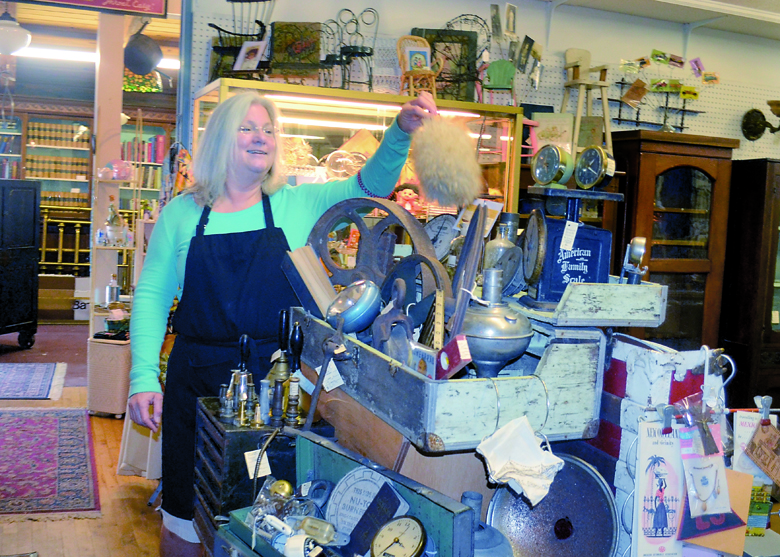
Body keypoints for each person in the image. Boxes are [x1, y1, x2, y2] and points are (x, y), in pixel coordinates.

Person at [127, 90, 438, 556]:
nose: (261, 138)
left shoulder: (296, 203)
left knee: (271, 519)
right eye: (247, 128)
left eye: (269, 130)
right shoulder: (182, 215)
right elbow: (151, 297)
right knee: (183, 517)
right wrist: (142, 376)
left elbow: (370, 187)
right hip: (196, 383)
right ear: (218, 142)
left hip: (276, 386)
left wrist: (399, 133)